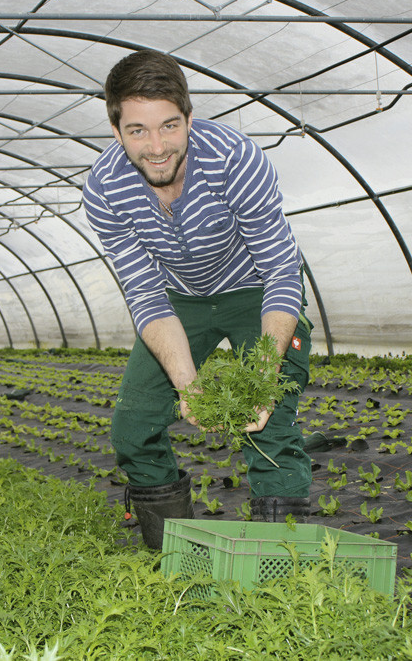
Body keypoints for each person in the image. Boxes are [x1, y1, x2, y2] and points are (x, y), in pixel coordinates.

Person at [83, 49, 314, 549]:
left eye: (169, 125)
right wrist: (188, 385)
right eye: (138, 130)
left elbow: (280, 269)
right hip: (180, 300)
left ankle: (283, 560)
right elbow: (144, 292)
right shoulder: (104, 189)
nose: (157, 146)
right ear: (117, 130)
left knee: (267, 420)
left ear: (189, 117)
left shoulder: (235, 158)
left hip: (254, 289)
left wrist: (263, 374)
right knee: (133, 425)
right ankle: (170, 552)